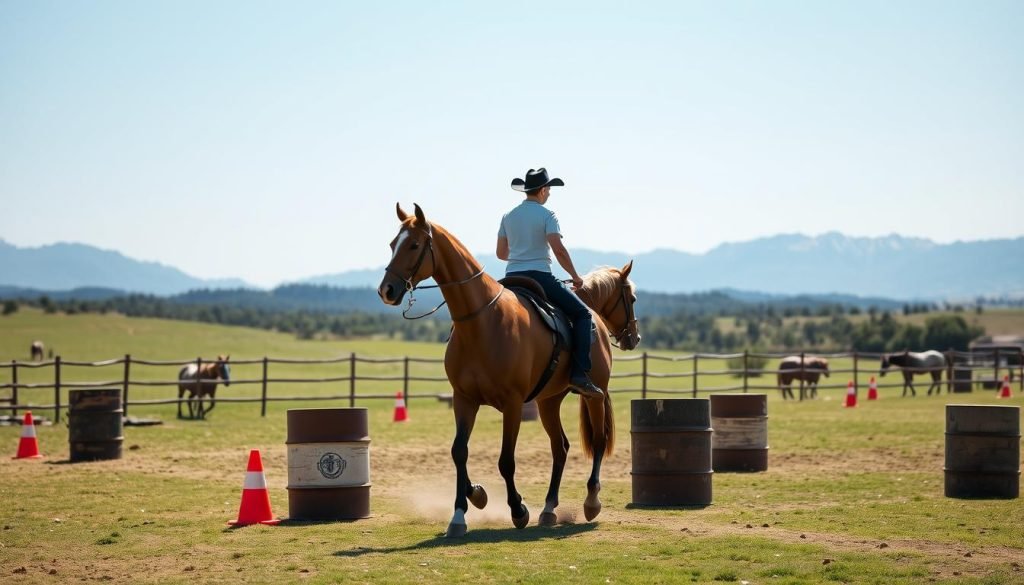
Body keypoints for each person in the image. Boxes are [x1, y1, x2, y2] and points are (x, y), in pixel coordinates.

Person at [496, 168, 604, 398]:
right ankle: (579, 375)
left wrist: (520, 253)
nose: (550, 194)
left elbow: (501, 253)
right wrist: (576, 277)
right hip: (540, 277)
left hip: (510, 277)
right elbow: (559, 250)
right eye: (550, 190)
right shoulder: (547, 215)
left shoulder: (508, 216)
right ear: (543, 190)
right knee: (583, 315)